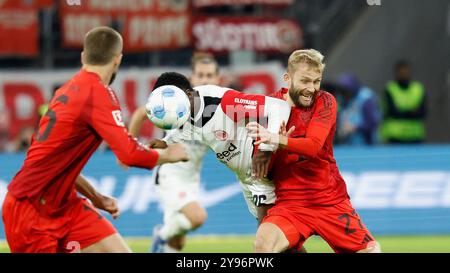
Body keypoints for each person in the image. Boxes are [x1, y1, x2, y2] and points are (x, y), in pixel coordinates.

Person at [1, 26, 188, 253]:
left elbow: (55, 161)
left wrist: (96, 197)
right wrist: (168, 155)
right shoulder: (97, 93)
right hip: (30, 210)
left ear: (83, 56)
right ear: (118, 60)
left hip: (64, 205)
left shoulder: (66, 90)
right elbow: (129, 154)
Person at [246, 49, 381, 253]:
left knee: (371, 251)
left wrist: (277, 139)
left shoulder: (325, 101)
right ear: (287, 78)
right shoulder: (268, 107)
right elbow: (262, 168)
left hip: (330, 201)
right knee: (263, 245)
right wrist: (271, 148)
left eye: (316, 81)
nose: (311, 89)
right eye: (305, 81)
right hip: (290, 205)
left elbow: (313, 146)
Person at [136, 72, 292, 245]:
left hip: (262, 172)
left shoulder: (223, 102)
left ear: (188, 94)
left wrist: (266, 150)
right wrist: (165, 142)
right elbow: (186, 130)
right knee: (283, 243)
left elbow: (279, 107)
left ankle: (162, 236)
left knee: (266, 242)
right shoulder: (187, 112)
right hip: (246, 178)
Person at [128, 52, 221, 253]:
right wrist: (129, 148)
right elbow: (140, 114)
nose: (205, 79)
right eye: (200, 75)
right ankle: (160, 235)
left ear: (217, 79)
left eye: (209, 75)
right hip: (170, 173)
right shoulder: (176, 101)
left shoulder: (216, 106)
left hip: (191, 176)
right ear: (192, 78)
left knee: (177, 242)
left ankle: (166, 239)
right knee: (197, 217)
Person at [380, 60, 426, 144]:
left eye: (406, 72)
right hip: (395, 136)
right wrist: (411, 112)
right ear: (396, 73)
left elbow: (423, 112)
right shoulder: (390, 89)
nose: (404, 74)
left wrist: (401, 111)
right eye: (401, 72)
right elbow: (392, 112)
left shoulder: (418, 88)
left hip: (415, 135)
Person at [336, 74, 381, 145]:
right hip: (347, 145)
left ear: (353, 88)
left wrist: (354, 128)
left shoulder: (366, 98)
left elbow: (372, 123)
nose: (343, 94)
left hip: (367, 145)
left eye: (345, 91)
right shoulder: (341, 99)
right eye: (341, 91)